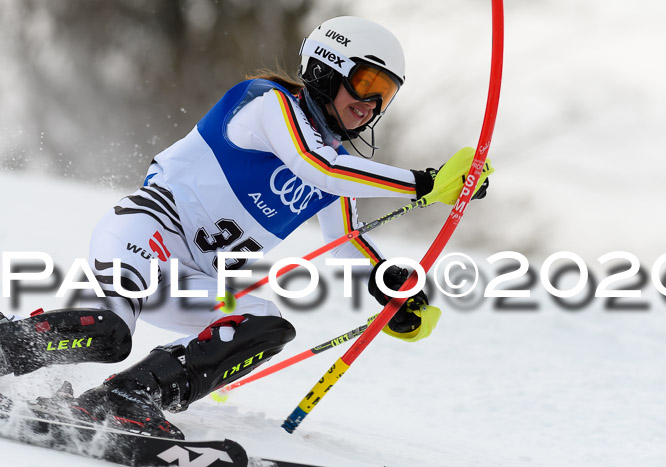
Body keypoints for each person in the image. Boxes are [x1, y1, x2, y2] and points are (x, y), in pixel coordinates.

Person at [0, 16, 491, 438]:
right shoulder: (267, 102)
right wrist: (426, 183)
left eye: (384, 95)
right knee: (110, 334)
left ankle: (127, 399)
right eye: (365, 84)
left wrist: (394, 291)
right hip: (145, 235)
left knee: (265, 325)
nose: (370, 104)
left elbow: (348, 243)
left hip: (191, 277)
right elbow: (315, 168)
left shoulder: (341, 163)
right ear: (324, 69)